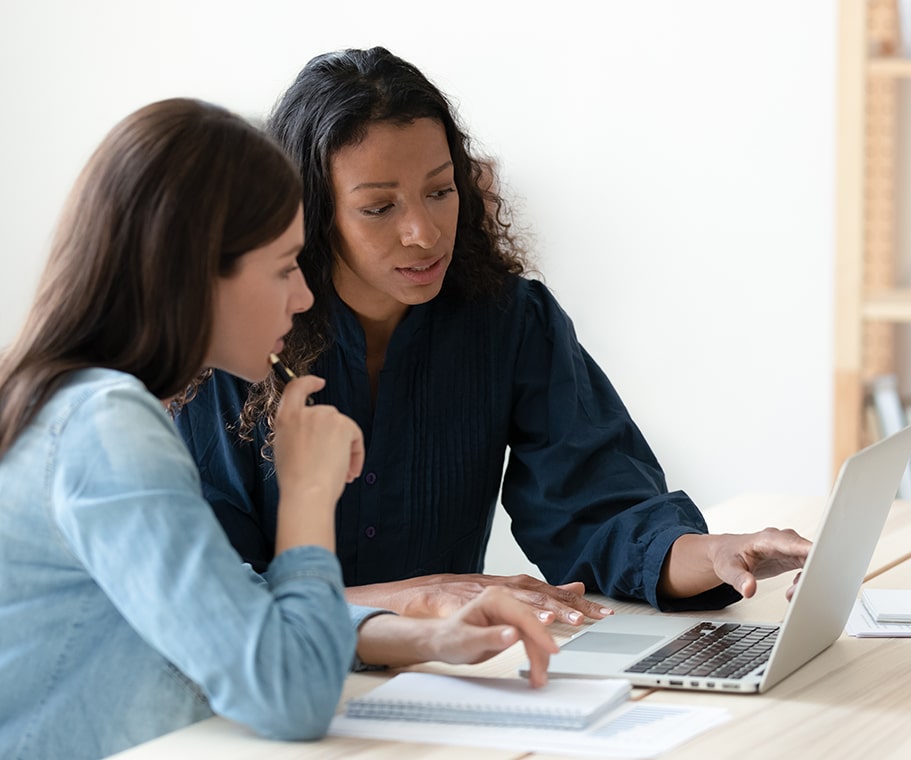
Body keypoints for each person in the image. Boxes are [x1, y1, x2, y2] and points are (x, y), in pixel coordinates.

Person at [0, 98, 558, 760]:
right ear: (198, 271)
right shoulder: (108, 426)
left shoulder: (75, 405)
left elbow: (226, 611)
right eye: (285, 266)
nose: (302, 297)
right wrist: (307, 496)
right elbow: (292, 694)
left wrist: (422, 636)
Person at [175, 47, 812, 626]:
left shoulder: (510, 320)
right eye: (379, 207)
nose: (424, 232)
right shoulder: (235, 346)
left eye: (441, 190)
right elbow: (210, 597)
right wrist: (414, 596)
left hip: (447, 681)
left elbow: (596, 513)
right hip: (268, 700)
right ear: (311, 214)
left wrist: (718, 552)